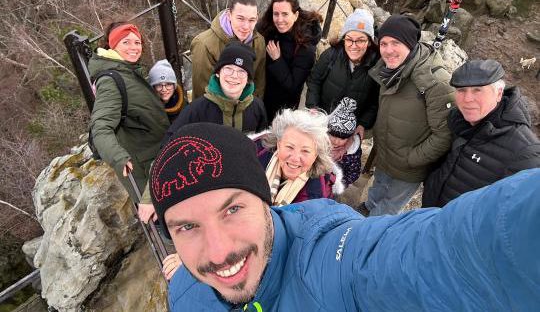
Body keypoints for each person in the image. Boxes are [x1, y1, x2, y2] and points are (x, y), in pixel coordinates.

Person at [150, 123, 540, 311]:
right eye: (187, 226)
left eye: (232, 209)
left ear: (263, 200)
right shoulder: (185, 292)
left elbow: (450, 251)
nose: (219, 253)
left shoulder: (333, 264)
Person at [359, 15, 455, 217]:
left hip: (408, 168)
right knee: (377, 190)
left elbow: (444, 135)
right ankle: (367, 207)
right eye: (383, 43)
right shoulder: (389, 69)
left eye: (396, 43)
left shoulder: (435, 81)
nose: (388, 50)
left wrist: (411, 159)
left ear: (410, 43)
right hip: (385, 154)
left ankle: (367, 235)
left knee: (387, 210)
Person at [422, 59, 540, 207]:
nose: (467, 99)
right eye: (461, 90)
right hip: (429, 217)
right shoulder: (457, 120)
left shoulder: (525, 152)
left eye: (477, 90)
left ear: (498, 93)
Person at [89, 22, 169, 223]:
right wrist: (118, 157)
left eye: (137, 42)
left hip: (157, 158)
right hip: (144, 168)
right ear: (113, 45)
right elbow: (100, 127)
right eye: (126, 42)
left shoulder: (128, 71)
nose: (134, 47)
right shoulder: (110, 79)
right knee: (169, 224)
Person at [163, 43, 268, 145]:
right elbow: (170, 143)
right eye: (228, 69)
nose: (234, 76)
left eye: (241, 71)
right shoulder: (197, 110)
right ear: (218, 73)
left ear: (248, 79)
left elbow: (263, 144)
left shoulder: (257, 107)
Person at [306, 8, 379, 140]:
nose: (353, 45)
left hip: (348, 133)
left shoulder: (376, 65)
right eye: (349, 39)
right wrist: (313, 106)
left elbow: (375, 101)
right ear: (343, 38)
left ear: (369, 42)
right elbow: (314, 81)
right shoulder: (330, 56)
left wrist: (363, 124)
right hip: (322, 124)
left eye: (361, 40)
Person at [255, 108, 344, 206]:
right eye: (289, 147)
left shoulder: (322, 194)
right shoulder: (253, 156)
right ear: (279, 144)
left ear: (316, 155)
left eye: (305, 151)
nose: (295, 158)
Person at [257, 0, 322, 120]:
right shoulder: (268, 29)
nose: (280, 20)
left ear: (295, 15)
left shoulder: (305, 46)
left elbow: (293, 86)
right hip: (261, 97)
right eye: (276, 14)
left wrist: (277, 60)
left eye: (285, 14)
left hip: (283, 109)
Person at [190, 0, 266, 100]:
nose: (246, 26)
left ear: (257, 19)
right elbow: (202, 92)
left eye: (251, 20)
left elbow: (258, 83)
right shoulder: (204, 44)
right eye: (240, 18)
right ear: (229, 15)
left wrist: (253, 110)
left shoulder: (259, 42)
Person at [327, 97, 363, 187]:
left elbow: (354, 172)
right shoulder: (319, 143)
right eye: (333, 135)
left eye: (342, 138)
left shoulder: (352, 152)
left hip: (334, 186)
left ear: (349, 137)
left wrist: (339, 183)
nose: (336, 141)